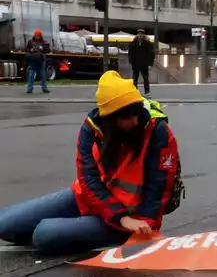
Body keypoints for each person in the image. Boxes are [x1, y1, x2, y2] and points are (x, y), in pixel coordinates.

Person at [0, 71, 180, 254]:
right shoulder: (92, 128)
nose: (134, 120)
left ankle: (77, 230)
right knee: (4, 224)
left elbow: (158, 189)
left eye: (137, 111)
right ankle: (76, 228)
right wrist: (115, 214)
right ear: (110, 118)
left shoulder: (158, 131)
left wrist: (137, 225)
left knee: (44, 234)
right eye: (127, 115)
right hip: (92, 200)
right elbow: (88, 179)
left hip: (131, 219)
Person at [127, 29, 155, 94]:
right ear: (137, 35)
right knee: (134, 80)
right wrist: (131, 61)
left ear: (143, 35)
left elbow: (151, 54)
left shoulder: (147, 43)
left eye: (141, 34)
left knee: (145, 79)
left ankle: (147, 92)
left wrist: (150, 64)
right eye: (139, 34)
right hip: (135, 64)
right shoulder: (133, 43)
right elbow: (130, 53)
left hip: (144, 64)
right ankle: (134, 92)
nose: (140, 35)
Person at [24, 28, 50, 94]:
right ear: (34, 35)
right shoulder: (30, 42)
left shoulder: (44, 42)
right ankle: (30, 89)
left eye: (38, 35)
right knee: (31, 74)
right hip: (33, 60)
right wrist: (30, 50)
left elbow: (48, 50)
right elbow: (26, 49)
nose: (37, 37)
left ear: (40, 35)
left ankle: (44, 88)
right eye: (36, 35)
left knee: (43, 74)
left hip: (41, 60)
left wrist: (44, 48)